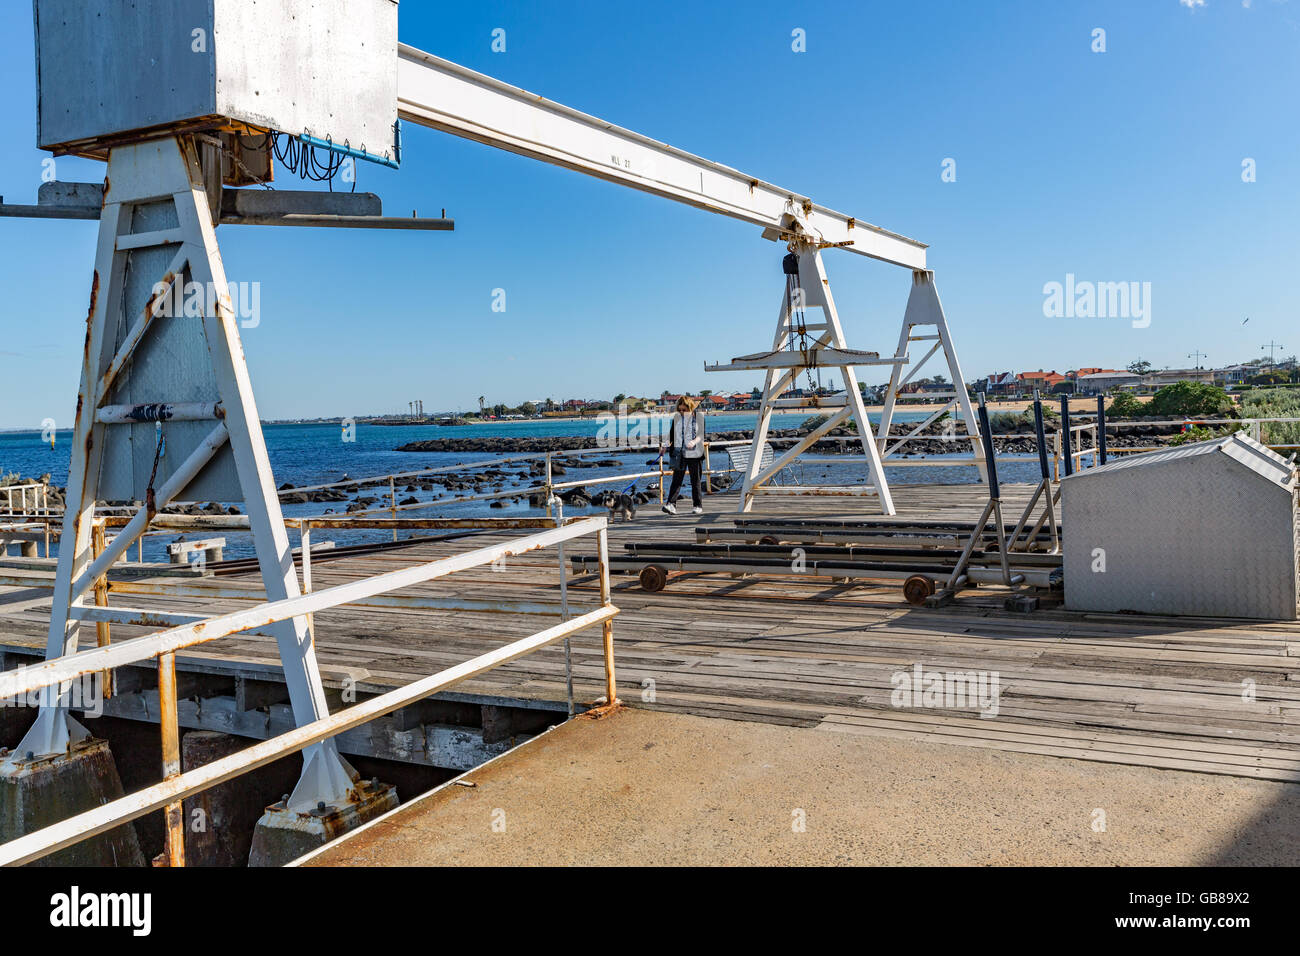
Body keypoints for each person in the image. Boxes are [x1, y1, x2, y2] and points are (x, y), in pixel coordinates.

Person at [660, 396, 706, 515]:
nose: (681, 412)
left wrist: (694, 442)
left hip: (695, 453)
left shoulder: (699, 417)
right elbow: (671, 435)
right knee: (676, 479)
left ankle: (697, 505)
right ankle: (671, 505)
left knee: (695, 480)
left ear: (690, 407)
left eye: (684, 409)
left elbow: (701, 435)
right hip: (679, 453)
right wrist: (664, 446)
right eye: (679, 409)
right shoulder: (677, 418)